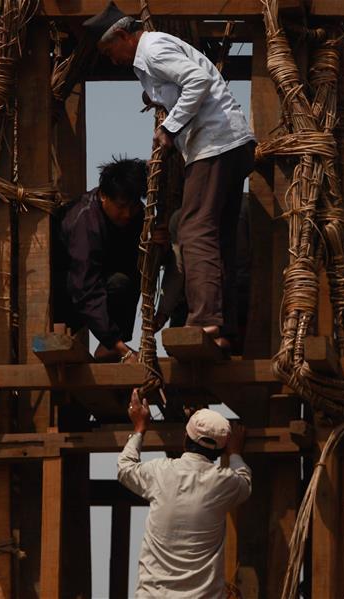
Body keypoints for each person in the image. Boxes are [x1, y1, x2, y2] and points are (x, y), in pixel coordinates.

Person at [84, 2, 257, 351]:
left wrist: (170, 127)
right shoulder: (152, 55)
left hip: (215, 145)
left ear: (121, 35)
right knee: (217, 236)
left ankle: (206, 321)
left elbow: (199, 80)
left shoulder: (152, 49)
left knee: (193, 230)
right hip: (231, 144)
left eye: (109, 50)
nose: (111, 58)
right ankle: (224, 329)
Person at [117, 392, 252, 597]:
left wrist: (139, 429)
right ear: (219, 453)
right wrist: (235, 453)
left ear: (185, 439)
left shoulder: (160, 471)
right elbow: (244, 481)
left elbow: (125, 468)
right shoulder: (223, 483)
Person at [52, 157, 148, 362]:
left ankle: (111, 344)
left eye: (133, 206)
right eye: (121, 207)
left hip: (96, 285)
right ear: (104, 196)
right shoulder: (84, 222)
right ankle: (111, 344)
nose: (127, 214)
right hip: (64, 297)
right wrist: (120, 347)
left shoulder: (136, 215)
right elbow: (85, 288)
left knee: (136, 266)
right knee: (119, 282)